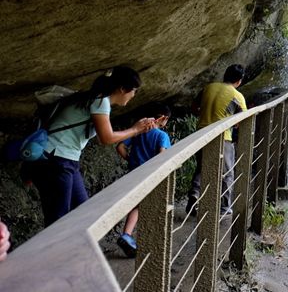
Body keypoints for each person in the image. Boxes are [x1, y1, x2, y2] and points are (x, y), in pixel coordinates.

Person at [28, 66, 160, 226]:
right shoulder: (100, 100)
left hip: (65, 160)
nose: (134, 95)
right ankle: (54, 251)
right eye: (134, 91)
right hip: (57, 159)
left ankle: (76, 250)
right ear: (122, 89)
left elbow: (102, 136)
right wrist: (135, 130)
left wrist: (138, 128)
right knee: (58, 221)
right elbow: (106, 138)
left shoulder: (95, 99)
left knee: (83, 212)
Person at [186, 64, 247, 217]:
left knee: (202, 167)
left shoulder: (208, 88)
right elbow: (242, 121)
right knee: (227, 173)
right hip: (222, 137)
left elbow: (193, 107)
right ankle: (224, 207)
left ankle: (195, 194)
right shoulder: (237, 96)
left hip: (201, 133)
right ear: (239, 81)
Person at [115, 102, 172, 258]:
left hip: (134, 172)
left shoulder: (138, 132)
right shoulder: (162, 136)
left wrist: (130, 159)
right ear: (163, 118)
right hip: (149, 175)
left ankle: (128, 235)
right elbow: (162, 156)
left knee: (137, 204)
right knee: (144, 206)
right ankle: (131, 236)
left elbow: (120, 146)